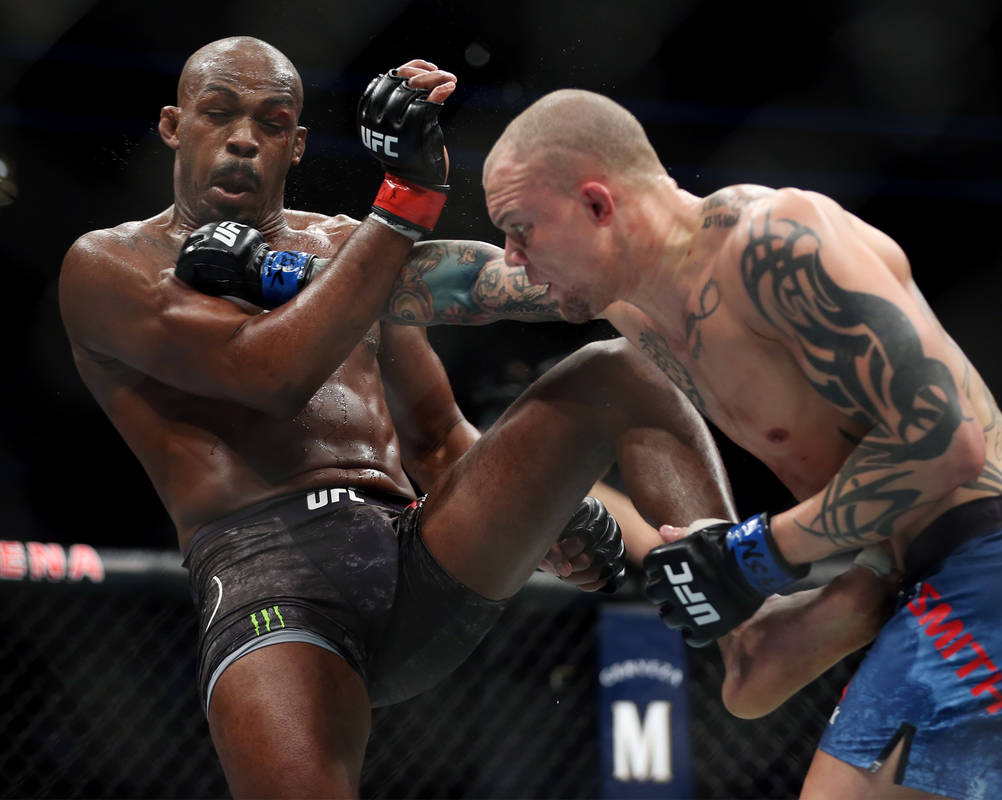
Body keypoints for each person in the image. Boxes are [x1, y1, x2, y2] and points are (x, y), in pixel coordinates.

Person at [57, 37, 747, 798]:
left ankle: (746, 607)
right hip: (268, 580)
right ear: (172, 126)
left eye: (272, 121)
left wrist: (537, 519)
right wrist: (408, 198)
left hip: (415, 551)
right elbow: (271, 374)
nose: (244, 138)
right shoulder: (109, 265)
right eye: (218, 114)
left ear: (296, 145)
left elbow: (443, 438)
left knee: (620, 369)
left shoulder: (350, 250)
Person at [469, 90, 1002, 799]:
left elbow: (947, 441)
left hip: (1000, 576)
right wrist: (390, 215)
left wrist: (753, 553)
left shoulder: (775, 242)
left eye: (521, 229)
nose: (515, 259)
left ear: (597, 204)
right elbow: (460, 284)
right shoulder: (629, 304)